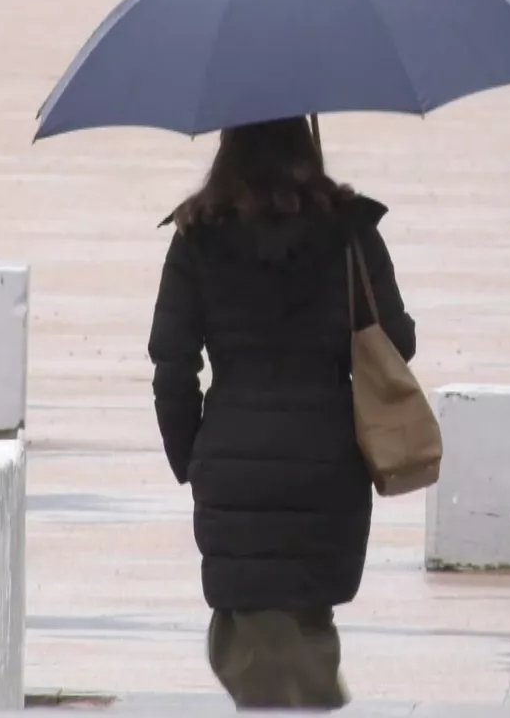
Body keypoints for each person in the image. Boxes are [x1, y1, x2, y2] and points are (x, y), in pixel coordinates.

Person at [148, 116, 417, 710]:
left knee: (247, 624)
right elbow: (396, 341)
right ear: (304, 143)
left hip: (232, 459)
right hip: (328, 458)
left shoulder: (198, 233)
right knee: (307, 617)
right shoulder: (349, 231)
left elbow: (172, 362)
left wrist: (189, 454)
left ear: (229, 148)